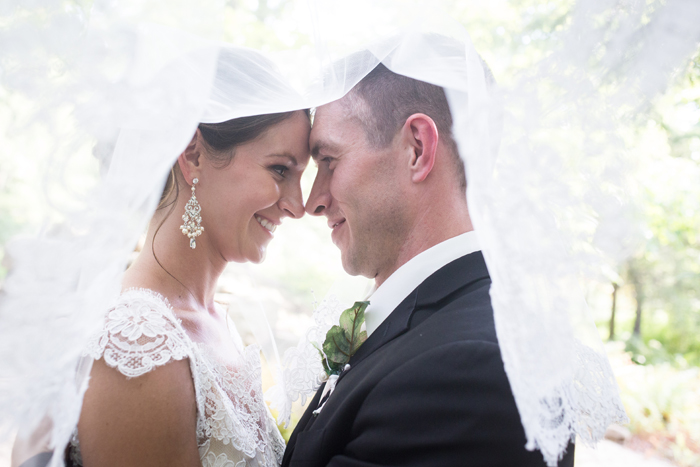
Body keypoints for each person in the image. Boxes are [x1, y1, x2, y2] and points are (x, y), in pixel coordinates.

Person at [281, 62, 576, 467]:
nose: (312, 201)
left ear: (417, 149)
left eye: (329, 160)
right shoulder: (435, 326)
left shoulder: (472, 372)